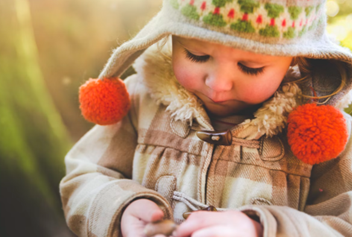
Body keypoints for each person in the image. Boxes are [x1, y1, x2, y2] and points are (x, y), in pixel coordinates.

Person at [60, 0, 352, 236]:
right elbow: (83, 176)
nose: (218, 84)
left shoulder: (324, 136)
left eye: (250, 67)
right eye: (197, 56)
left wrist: (263, 228)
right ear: (170, 38)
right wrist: (121, 208)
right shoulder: (140, 101)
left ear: (297, 59)